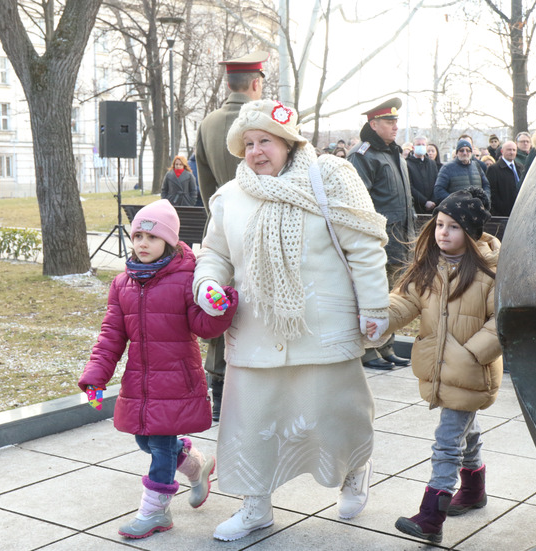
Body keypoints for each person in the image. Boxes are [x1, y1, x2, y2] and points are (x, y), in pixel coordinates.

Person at [194, 99, 392, 541]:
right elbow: (216, 256)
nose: (255, 151)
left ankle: (354, 470)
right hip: (256, 332)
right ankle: (254, 506)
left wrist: (375, 309)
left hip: (323, 328)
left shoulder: (331, 178)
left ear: (288, 142)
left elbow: (363, 248)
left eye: (265, 140)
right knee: (252, 423)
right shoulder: (229, 196)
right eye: (248, 143)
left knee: (336, 416)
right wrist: (206, 285)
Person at [78, 199, 239, 540]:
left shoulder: (185, 278)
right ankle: (198, 465)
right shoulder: (123, 283)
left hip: (176, 379)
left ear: (168, 241)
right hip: (140, 380)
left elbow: (204, 327)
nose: (142, 244)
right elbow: (111, 335)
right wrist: (96, 375)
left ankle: (155, 512)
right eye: (137, 236)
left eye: (151, 237)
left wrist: (220, 307)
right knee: (144, 439)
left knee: (161, 446)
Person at [371, 187, 502, 545]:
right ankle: (474, 489)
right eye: (440, 224)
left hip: (471, 371)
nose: (443, 232)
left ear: (472, 234)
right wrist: (379, 318)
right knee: (465, 429)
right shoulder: (429, 268)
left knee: (447, 441)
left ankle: (431, 516)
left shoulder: (491, 275)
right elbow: (404, 301)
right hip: (443, 370)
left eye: (454, 227)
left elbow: (501, 322)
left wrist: (471, 353)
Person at [193, 50, 269, 422]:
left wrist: (218, 219)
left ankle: (220, 392)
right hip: (262, 228)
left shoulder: (207, 123)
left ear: (228, 84)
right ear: (256, 83)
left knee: (221, 301)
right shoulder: (262, 121)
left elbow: (206, 184)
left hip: (222, 229)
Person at [348, 97, 416, 370]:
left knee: (392, 297)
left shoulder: (393, 152)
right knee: (372, 297)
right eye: (389, 121)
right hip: (378, 242)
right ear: (373, 124)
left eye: (396, 121)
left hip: (400, 239)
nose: (395, 126)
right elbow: (357, 203)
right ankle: (367, 351)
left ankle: (386, 346)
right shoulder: (362, 155)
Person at [487, 140, 526, 217]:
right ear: (502, 151)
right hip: (503, 214)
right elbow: (492, 192)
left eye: (514, 150)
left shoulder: (520, 167)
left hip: (520, 211)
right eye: (509, 150)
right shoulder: (494, 169)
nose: (511, 152)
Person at [407, 135, 439, 214]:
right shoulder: (407, 163)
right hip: (416, 206)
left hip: (433, 206)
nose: (421, 146)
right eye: (418, 144)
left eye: (423, 144)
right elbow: (409, 186)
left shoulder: (432, 163)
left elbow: (437, 183)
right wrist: (424, 202)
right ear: (413, 147)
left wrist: (433, 201)